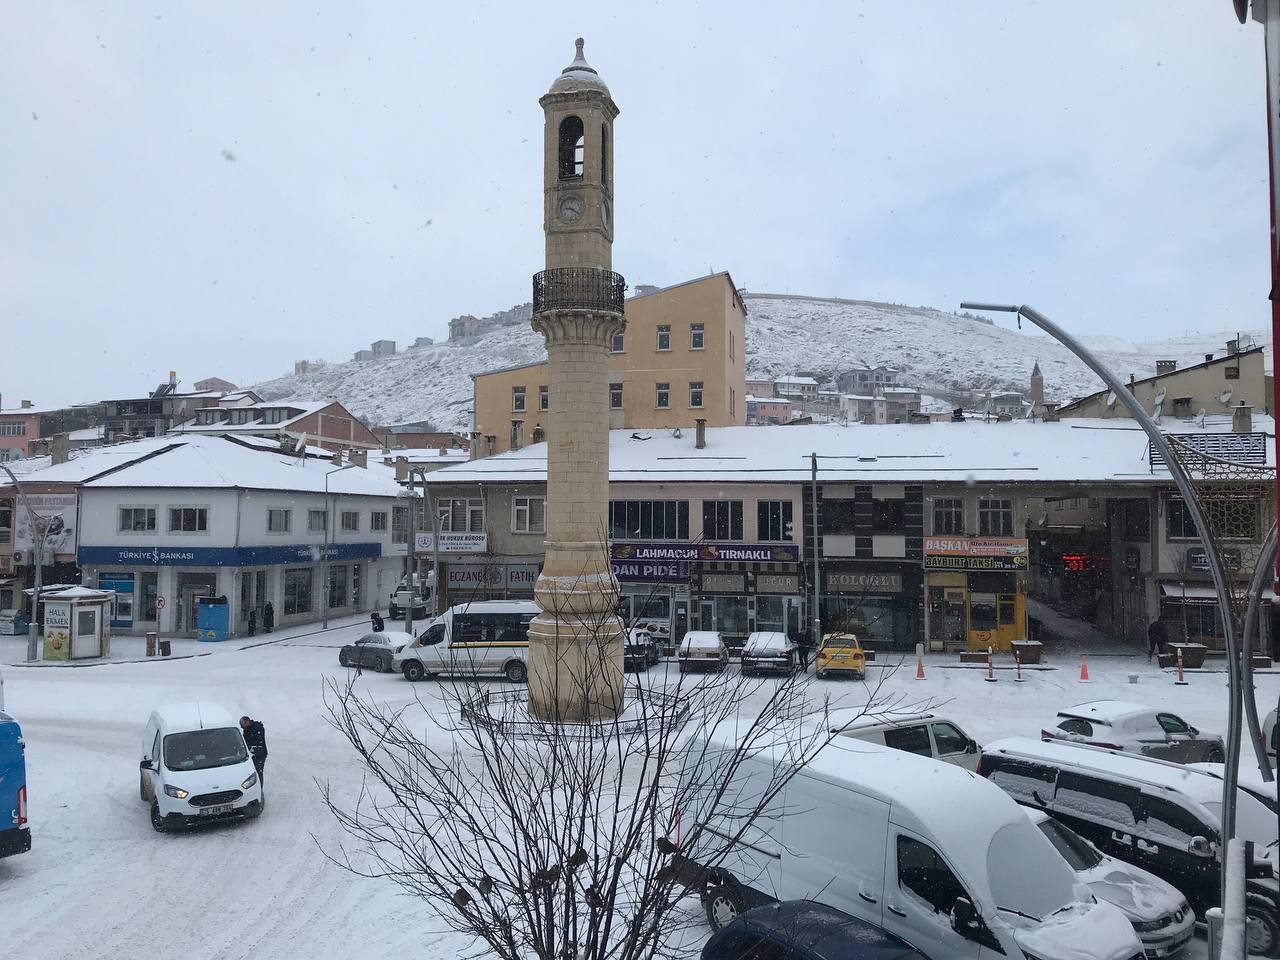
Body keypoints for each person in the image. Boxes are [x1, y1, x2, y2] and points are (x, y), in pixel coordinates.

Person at [240, 715, 268, 787]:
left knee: (258, 772)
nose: (241, 727)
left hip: (260, 754)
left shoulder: (258, 728)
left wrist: (249, 746)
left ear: (247, 722)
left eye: (242, 725)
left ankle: (259, 790)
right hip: (251, 754)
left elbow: (257, 741)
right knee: (251, 773)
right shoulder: (246, 729)